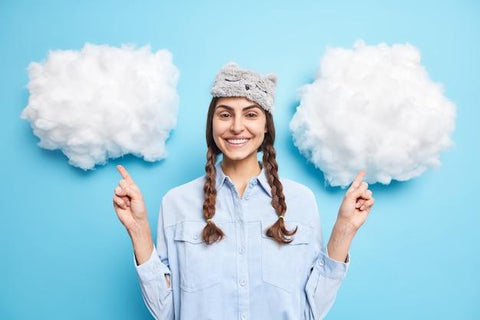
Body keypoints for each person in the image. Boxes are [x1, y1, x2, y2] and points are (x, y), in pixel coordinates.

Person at [112, 62, 374, 320]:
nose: (237, 127)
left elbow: (310, 310)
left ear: (266, 127)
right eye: (225, 114)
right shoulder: (176, 202)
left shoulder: (301, 201)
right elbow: (166, 312)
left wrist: (344, 228)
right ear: (211, 125)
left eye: (251, 114)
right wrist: (138, 229)